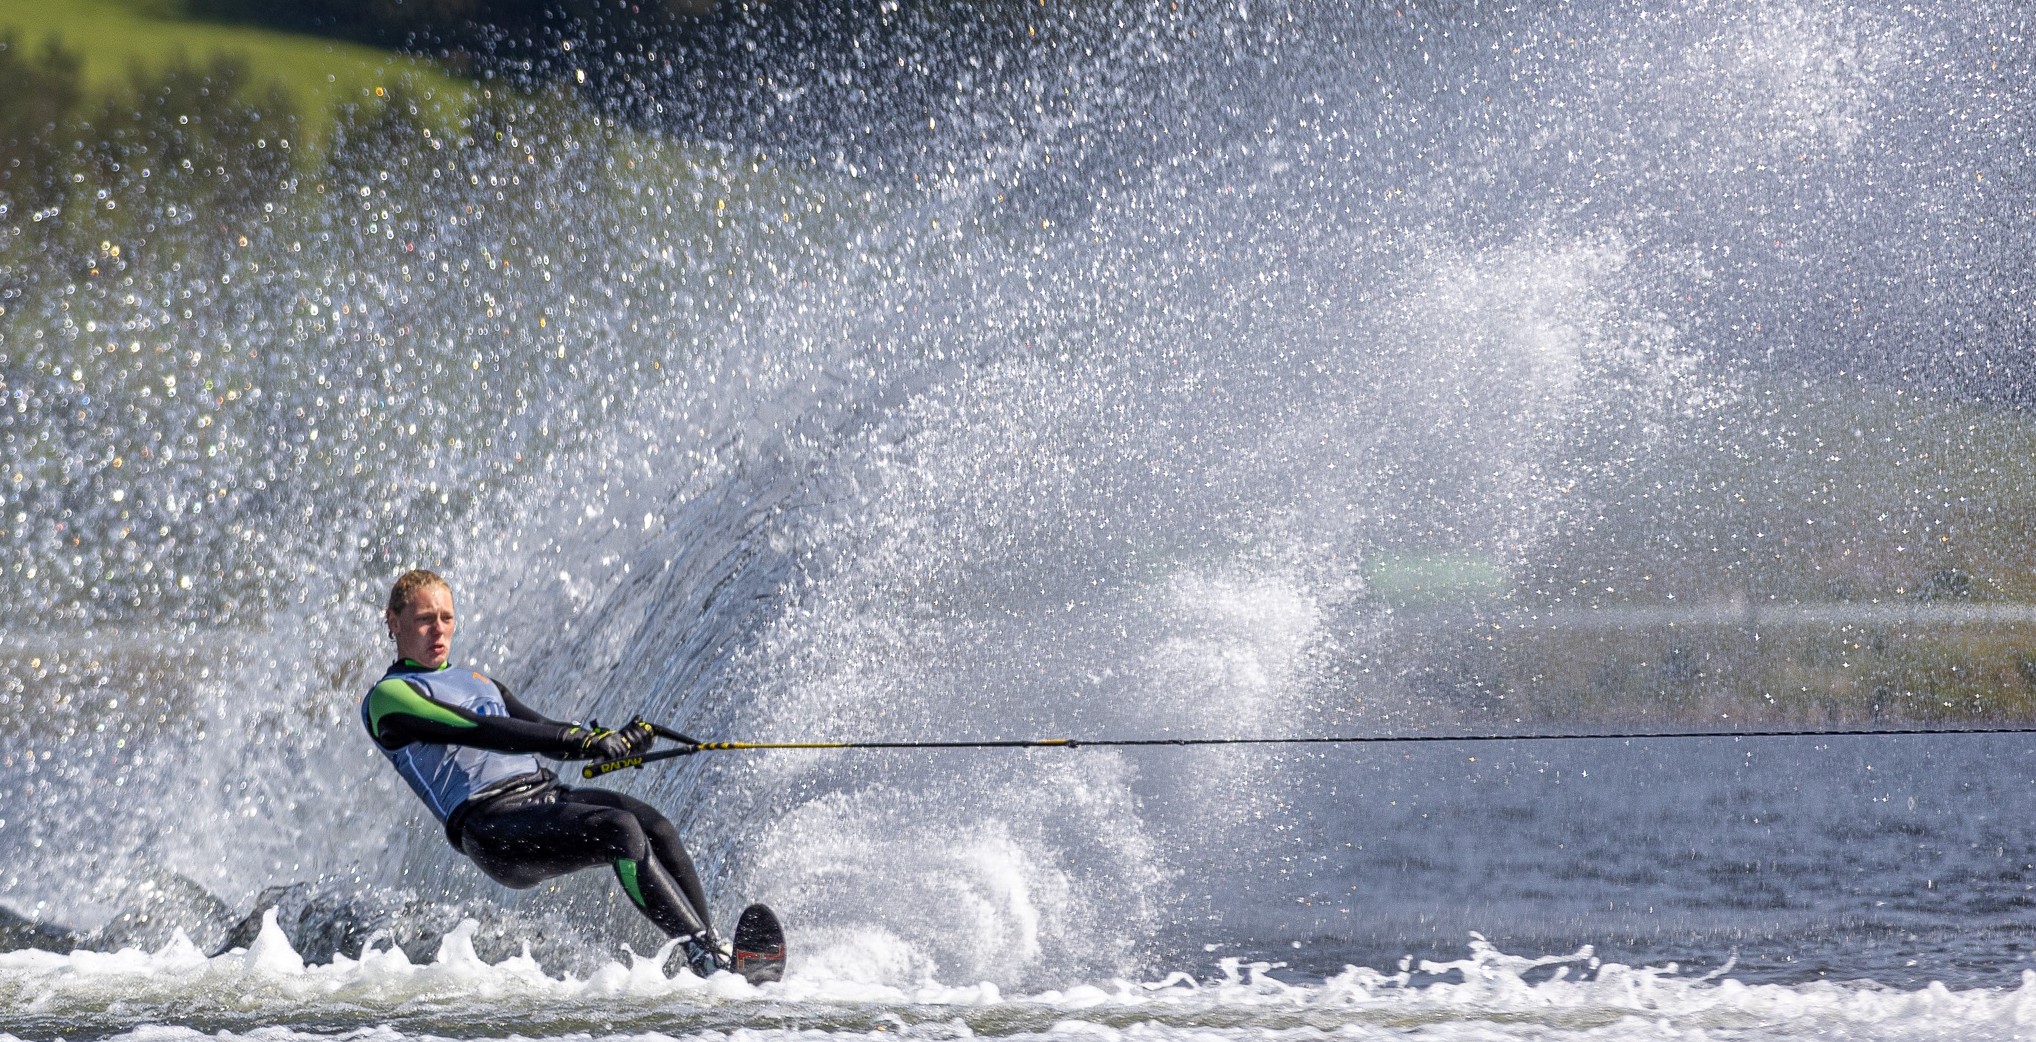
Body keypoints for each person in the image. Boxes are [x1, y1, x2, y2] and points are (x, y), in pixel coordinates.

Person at [360, 568, 731, 976]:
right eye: (424, 619)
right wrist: (578, 740)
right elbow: (483, 730)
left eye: (447, 618)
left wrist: (613, 741)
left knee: (654, 825)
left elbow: (539, 730)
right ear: (394, 623)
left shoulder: (481, 681)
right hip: (492, 826)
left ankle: (715, 950)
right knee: (620, 830)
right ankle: (705, 958)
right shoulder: (390, 696)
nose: (439, 630)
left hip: (546, 795)